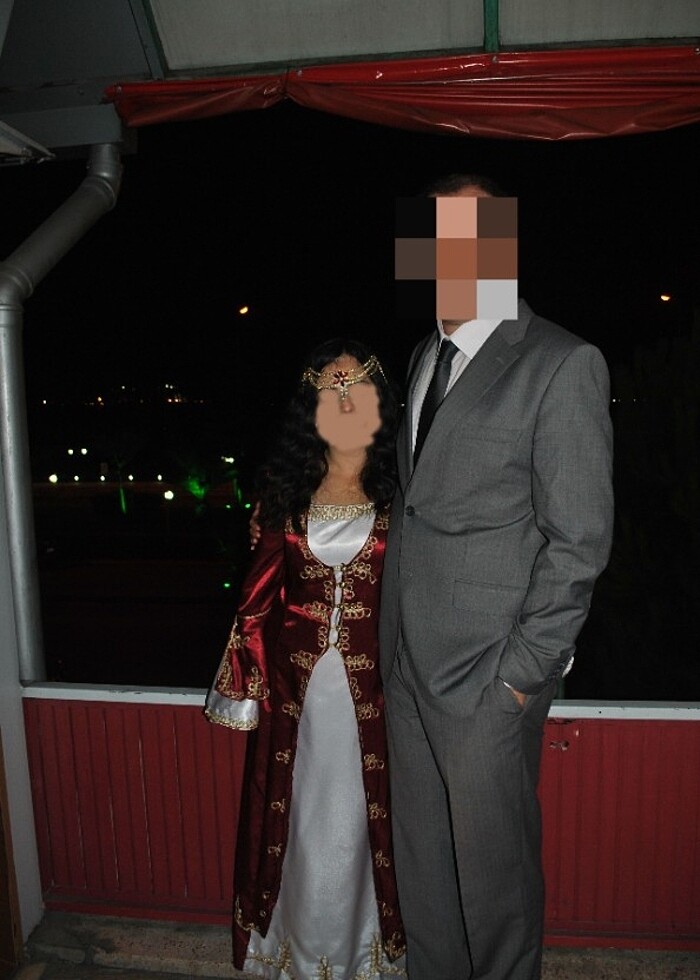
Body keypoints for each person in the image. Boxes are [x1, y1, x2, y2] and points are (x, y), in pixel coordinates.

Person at [379, 174, 614, 980]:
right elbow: (418, 508)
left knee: (495, 888)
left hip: (487, 678)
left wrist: (520, 675)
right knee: (426, 874)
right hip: (407, 667)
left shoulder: (561, 362)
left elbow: (579, 543)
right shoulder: (423, 357)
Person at [205, 338, 406, 979]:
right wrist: (242, 684)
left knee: (369, 824)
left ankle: (369, 956)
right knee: (303, 822)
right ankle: (296, 952)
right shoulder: (284, 493)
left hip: (381, 696)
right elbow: (258, 594)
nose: (344, 402)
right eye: (329, 391)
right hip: (300, 700)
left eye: (356, 389)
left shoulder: (406, 489)